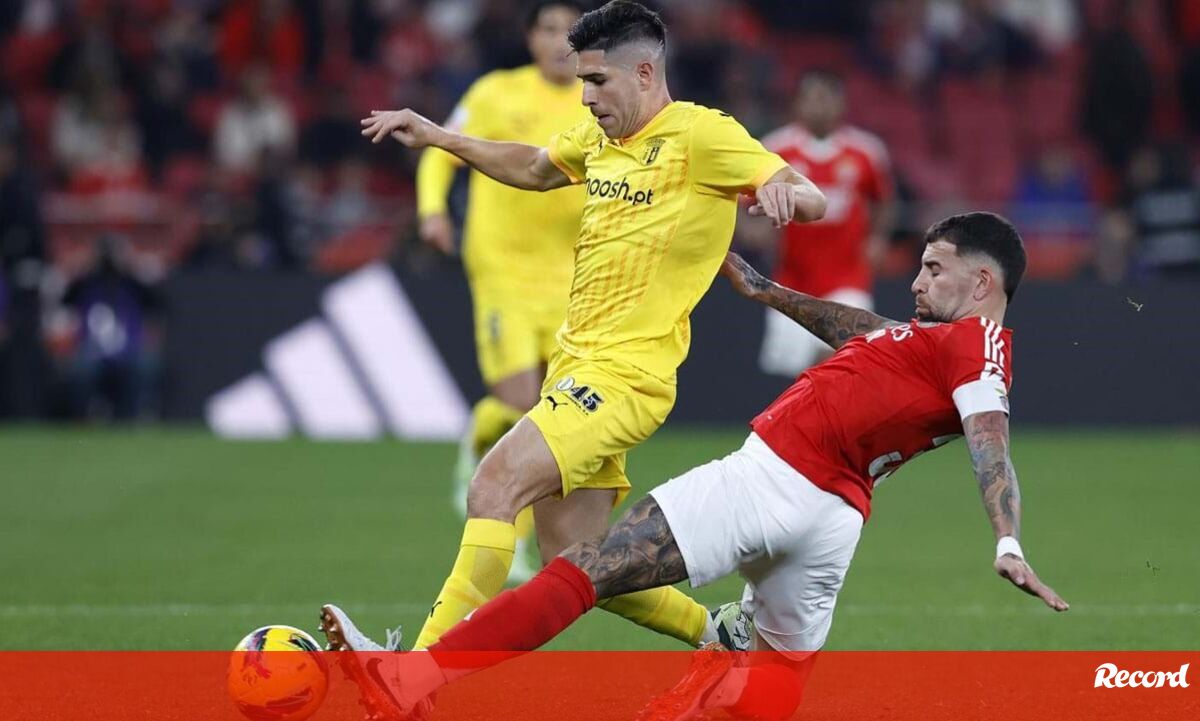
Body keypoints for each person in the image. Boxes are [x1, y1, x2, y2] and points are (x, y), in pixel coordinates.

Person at [321, 212, 1069, 721]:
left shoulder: (978, 350)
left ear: (983, 283)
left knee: (585, 567)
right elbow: (868, 330)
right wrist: (767, 291)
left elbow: (990, 440)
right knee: (770, 679)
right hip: (834, 520)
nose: (917, 281)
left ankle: (412, 679)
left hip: (767, 480)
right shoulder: (935, 342)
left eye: (934, 268)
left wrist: (1007, 538)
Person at [356, 0, 826, 656]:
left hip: (626, 376)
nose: (585, 97)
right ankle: (721, 633)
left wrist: (784, 193)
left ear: (643, 73)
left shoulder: (702, 135)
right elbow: (531, 167)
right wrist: (440, 137)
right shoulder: (598, 139)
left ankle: (412, 672)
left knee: (493, 485)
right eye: (582, 81)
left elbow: (811, 195)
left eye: (598, 81)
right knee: (574, 557)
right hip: (575, 367)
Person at [415, 0, 591, 583]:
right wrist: (433, 210)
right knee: (521, 404)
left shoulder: (599, 102)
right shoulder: (495, 93)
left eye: (571, 31)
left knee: (555, 413)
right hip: (503, 272)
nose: (560, 41)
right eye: (549, 29)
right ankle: (509, 537)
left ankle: (484, 443)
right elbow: (441, 148)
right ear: (530, 38)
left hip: (573, 277)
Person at [756, 69, 896, 377]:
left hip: (847, 276)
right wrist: (758, 233)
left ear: (840, 103)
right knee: (795, 372)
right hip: (792, 279)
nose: (818, 106)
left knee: (839, 358)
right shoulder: (776, 148)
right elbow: (747, 201)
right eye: (811, 98)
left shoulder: (865, 151)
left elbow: (884, 200)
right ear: (798, 103)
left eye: (826, 98)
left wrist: (878, 238)